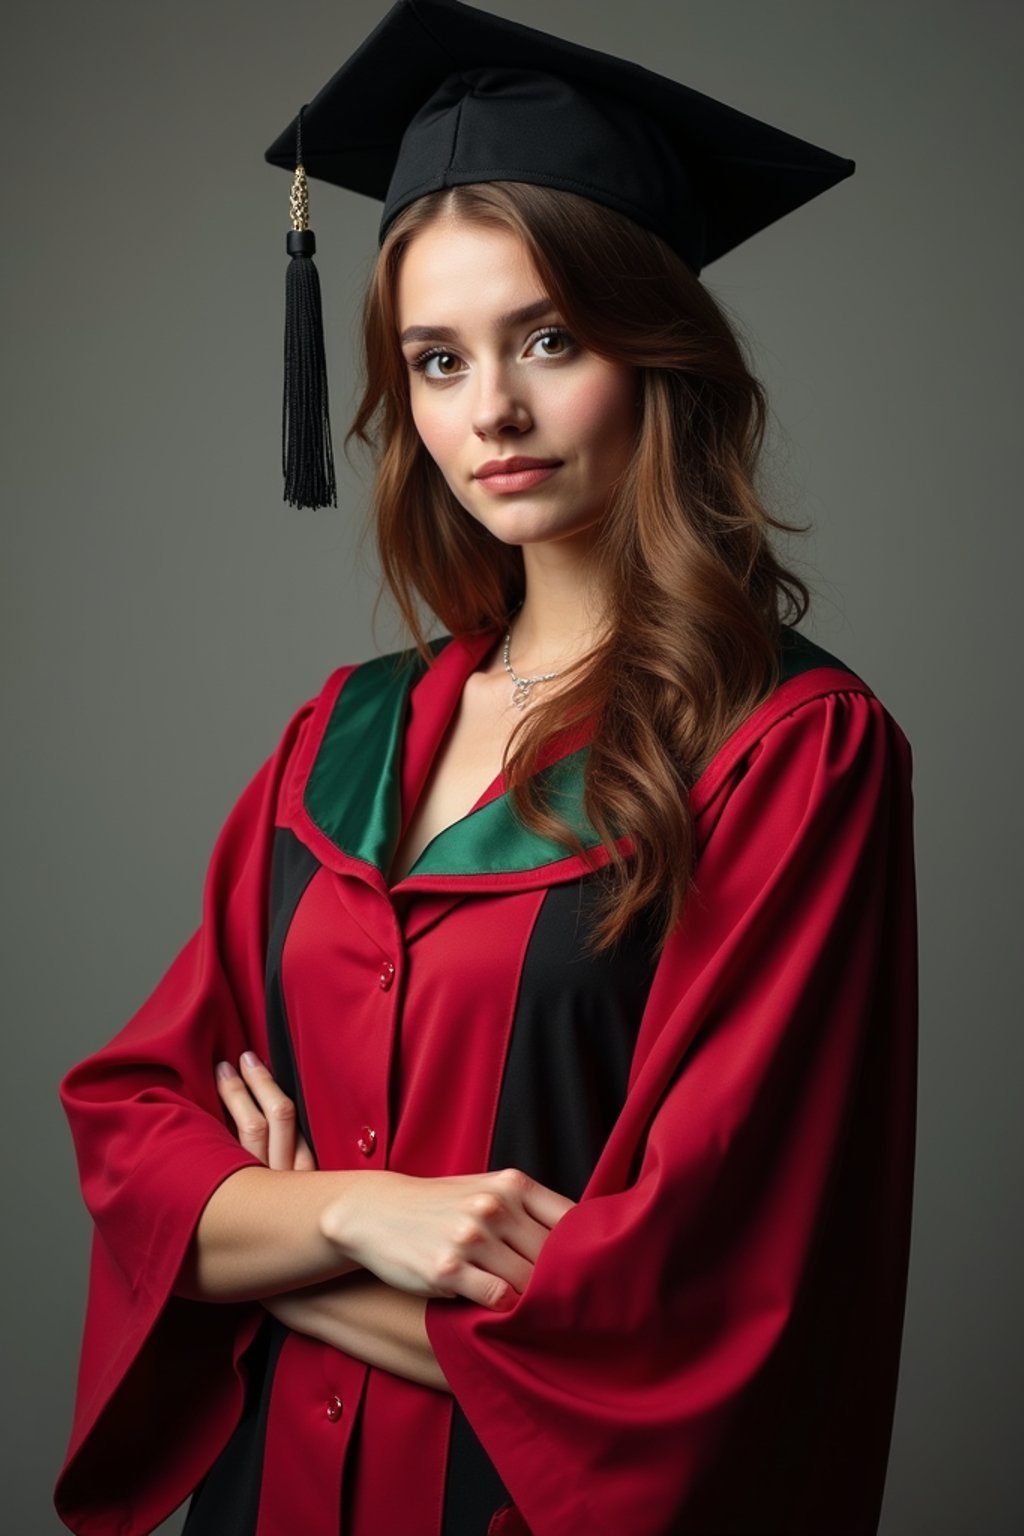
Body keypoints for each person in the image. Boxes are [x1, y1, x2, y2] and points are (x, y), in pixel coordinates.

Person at [54, 3, 918, 1534]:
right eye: (436, 360)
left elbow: (696, 1313)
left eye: (549, 340)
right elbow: (135, 1136)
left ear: (656, 351)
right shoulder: (345, 735)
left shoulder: (789, 755)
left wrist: (264, 1250)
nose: (490, 414)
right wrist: (359, 1212)